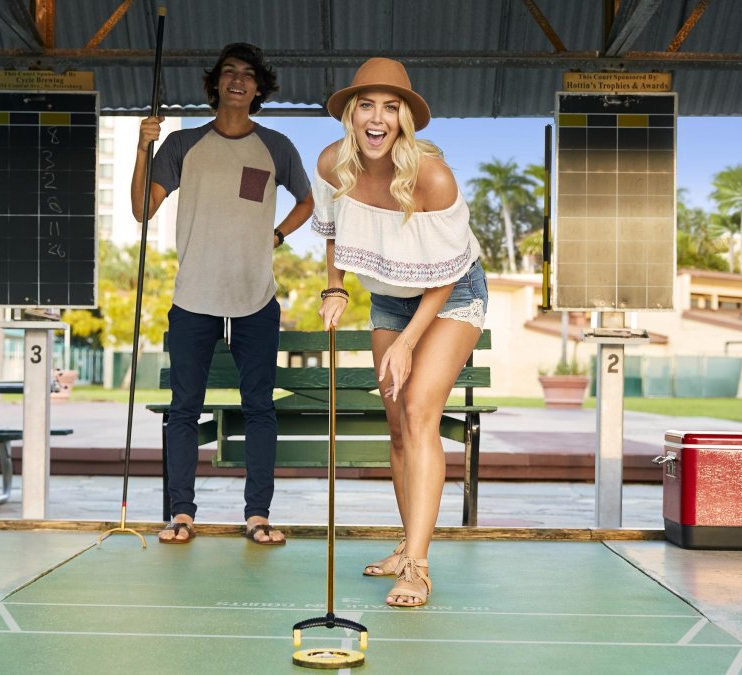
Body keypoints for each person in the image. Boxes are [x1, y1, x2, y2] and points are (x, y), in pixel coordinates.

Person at [313, 58, 487, 606]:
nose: (377, 117)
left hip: (452, 292)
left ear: (405, 119)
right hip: (389, 294)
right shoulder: (331, 166)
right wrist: (335, 288)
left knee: (418, 410)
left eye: (391, 107)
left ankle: (418, 564)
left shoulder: (432, 177)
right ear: (350, 114)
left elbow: (446, 272)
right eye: (367, 104)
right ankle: (405, 540)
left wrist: (410, 342)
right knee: (395, 422)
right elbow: (334, 237)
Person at [132, 43, 313, 545]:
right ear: (215, 84)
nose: (238, 79)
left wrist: (275, 235)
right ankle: (181, 514)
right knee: (184, 408)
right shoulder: (183, 144)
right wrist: (142, 148)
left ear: (259, 88)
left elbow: (308, 201)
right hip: (194, 297)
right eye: (229, 72)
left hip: (256, 296)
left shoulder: (276, 146)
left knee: (259, 407)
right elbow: (142, 210)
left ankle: (258, 516)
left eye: (248, 74)